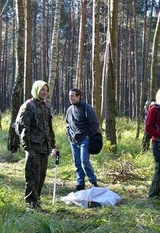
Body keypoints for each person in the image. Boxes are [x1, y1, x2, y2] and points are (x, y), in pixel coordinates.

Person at [17, 80, 57, 209]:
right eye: (42, 90)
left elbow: (49, 128)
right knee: (32, 176)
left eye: (46, 90)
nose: (44, 92)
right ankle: (30, 204)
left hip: (44, 147)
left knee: (41, 176)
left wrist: (52, 145)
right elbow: (23, 128)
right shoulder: (28, 106)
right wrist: (28, 147)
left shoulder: (45, 106)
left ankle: (37, 200)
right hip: (33, 147)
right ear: (36, 90)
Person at [66, 88, 100, 191]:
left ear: (78, 96)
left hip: (84, 140)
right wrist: (68, 133)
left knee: (84, 161)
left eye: (72, 96)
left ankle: (93, 182)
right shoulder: (69, 109)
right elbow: (67, 123)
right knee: (77, 162)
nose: (70, 98)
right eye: (69, 96)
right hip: (73, 140)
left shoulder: (87, 108)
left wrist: (88, 136)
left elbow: (95, 124)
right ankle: (80, 183)